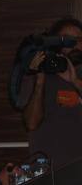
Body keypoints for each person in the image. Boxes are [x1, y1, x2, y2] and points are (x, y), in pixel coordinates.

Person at [20, 17, 82, 168]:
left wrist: (75, 81)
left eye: (79, 39)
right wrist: (40, 80)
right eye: (67, 40)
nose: (74, 45)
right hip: (51, 173)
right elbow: (31, 123)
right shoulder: (39, 75)